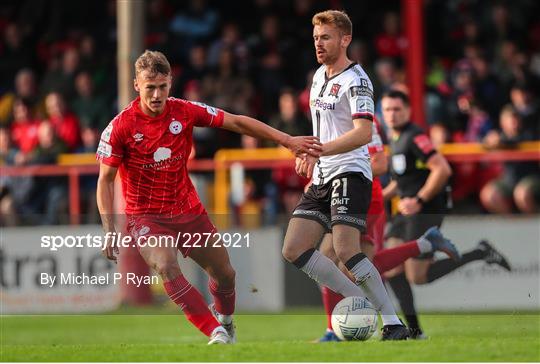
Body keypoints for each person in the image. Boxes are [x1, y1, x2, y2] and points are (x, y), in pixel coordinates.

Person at [96, 50, 322, 345]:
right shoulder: (120, 126)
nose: (156, 94)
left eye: (162, 87)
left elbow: (237, 122)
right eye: (149, 87)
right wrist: (109, 228)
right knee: (165, 265)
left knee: (226, 274)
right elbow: (105, 180)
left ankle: (225, 322)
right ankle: (213, 330)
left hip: (187, 210)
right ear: (136, 85)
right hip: (145, 216)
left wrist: (287, 140)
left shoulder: (185, 111)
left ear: (170, 83)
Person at [280, 10, 409, 340]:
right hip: (323, 176)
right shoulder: (318, 77)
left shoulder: (357, 80)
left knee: (347, 250)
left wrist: (318, 151)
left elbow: (364, 133)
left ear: (345, 39)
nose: (319, 44)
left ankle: (393, 323)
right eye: (315, 38)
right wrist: (311, 157)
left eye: (325, 37)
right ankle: (360, 300)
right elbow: (320, 130)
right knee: (293, 248)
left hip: (351, 173)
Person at [381, 90, 512, 339]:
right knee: (391, 270)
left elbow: (442, 169)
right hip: (405, 211)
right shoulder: (395, 139)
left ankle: (480, 252)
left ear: (408, 111)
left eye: (397, 109)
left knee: (417, 277)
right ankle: (413, 331)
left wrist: (420, 200)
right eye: (387, 109)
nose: (392, 114)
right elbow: (401, 182)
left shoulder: (416, 137)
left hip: (425, 210)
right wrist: (376, 198)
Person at [316, 118, 460, 342]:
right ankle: (424, 244)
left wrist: (336, 174)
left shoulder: (362, 120)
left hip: (359, 196)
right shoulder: (330, 116)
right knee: (353, 265)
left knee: (331, 259)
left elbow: (380, 164)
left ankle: (334, 331)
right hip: (344, 194)